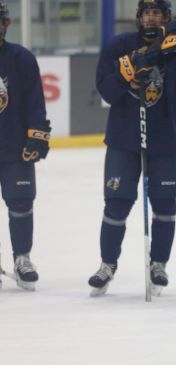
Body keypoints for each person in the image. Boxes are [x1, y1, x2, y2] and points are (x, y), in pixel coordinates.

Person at [89, 0, 176, 296]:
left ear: (166, 18)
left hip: (164, 142)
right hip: (124, 141)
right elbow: (107, 90)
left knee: (165, 205)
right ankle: (107, 264)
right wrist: (131, 68)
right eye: (147, 13)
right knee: (116, 203)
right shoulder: (119, 45)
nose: (152, 19)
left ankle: (159, 264)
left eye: (157, 14)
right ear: (139, 17)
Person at [0, 0, 50, 291]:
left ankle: (22, 258)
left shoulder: (21, 58)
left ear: (7, 24)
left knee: (20, 202)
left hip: (14, 146)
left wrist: (37, 135)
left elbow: (35, 102)